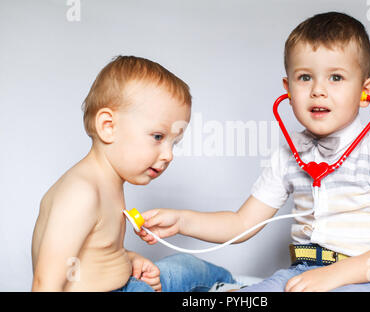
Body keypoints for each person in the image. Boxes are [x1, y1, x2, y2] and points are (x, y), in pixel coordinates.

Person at [137, 12, 370, 292]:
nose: (318, 90)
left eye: (336, 77)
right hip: (302, 274)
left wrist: (334, 275)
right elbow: (242, 224)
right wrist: (182, 221)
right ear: (288, 89)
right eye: (305, 77)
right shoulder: (288, 156)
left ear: (367, 91)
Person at [31, 55, 234, 291]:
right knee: (185, 272)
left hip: (127, 285)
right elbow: (45, 281)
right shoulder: (81, 193)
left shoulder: (107, 180)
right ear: (108, 127)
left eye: (174, 143)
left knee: (185, 266)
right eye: (158, 137)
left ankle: (233, 286)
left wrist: (128, 259)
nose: (169, 155)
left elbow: (94, 249)